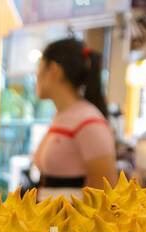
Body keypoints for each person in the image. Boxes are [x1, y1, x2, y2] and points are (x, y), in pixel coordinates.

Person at [31, 38, 117, 192]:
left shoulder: (89, 122)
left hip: (67, 215)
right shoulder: (63, 116)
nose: (36, 75)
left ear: (54, 70)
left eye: (39, 67)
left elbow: (105, 191)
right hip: (53, 213)